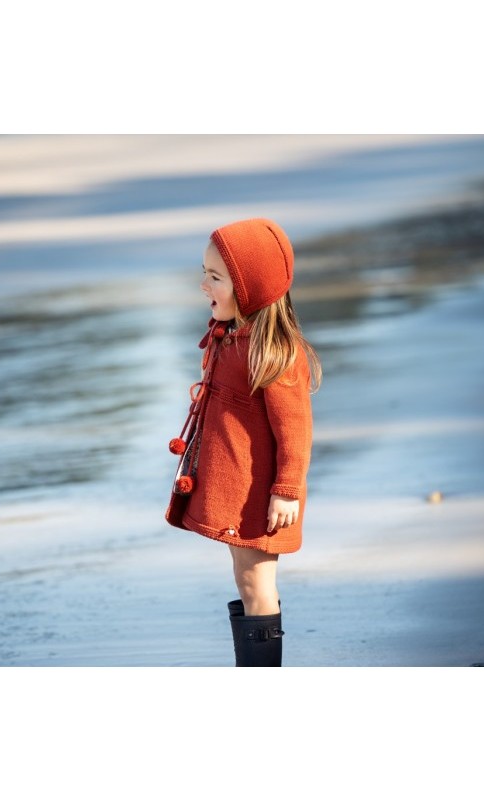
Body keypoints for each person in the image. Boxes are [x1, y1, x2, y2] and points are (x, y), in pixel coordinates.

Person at [166, 217, 321, 667]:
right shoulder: (230, 337)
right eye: (204, 273)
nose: (203, 285)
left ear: (249, 288)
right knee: (245, 578)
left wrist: (286, 489)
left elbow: (296, 430)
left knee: (257, 583)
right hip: (239, 488)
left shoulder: (274, 354)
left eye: (215, 278)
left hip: (263, 493)